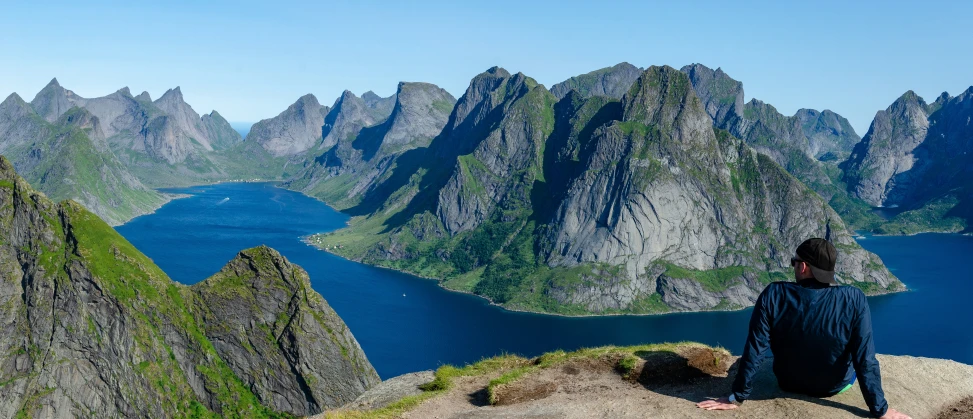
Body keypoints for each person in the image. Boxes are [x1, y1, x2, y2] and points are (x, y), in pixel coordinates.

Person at [695, 238, 910, 419]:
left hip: (789, 382)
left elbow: (755, 348)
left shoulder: (774, 294)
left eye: (794, 262)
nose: (794, 266)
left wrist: (737, 396)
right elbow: (865, 358)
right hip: (834, 387)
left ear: (804, 266)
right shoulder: (854, 298)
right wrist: (880, 409)